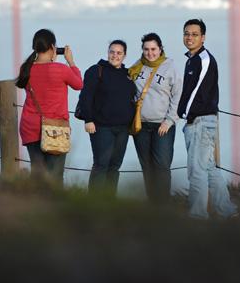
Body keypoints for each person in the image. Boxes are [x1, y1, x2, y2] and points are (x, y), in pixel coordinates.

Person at [177, 18, 238, 220]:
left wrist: (183, 113)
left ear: (203, 37)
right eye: (187, 33)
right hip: (199, 122)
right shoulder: (191, 60)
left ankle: (198, 217)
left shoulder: (204, 60)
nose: (189, 37)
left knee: (197, 172)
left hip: (200, 122)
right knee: (209, 168)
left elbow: (196, 92)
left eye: (195, 34)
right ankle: (228, 211)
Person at [15, 28, 83, 183]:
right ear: (53, 47)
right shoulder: (61, 69)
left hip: (30, 127)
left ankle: (36, 204)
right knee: (55, 176)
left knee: (38, 174)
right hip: (55, 129)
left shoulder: (26, 68)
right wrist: (71, 62)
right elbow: (79, 85)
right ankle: (53, 206)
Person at [77, 40, 136, 197]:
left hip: (123, 128)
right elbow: (85, 96)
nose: (114, 55)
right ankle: (95, 203)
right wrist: (88, 120)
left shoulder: (128, 74)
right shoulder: (96, 70)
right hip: (101, 127)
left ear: (124, 55)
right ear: (108, 52)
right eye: (112, 52)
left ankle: (109, 203)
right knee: (101, 165)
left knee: (114, 167)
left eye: (118, 53)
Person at [128, 32, 182, 204]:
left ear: (160, 49)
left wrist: (169, 121)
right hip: (140, 125)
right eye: (146, 49)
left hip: (162, 125)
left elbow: (178, 97)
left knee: (161, 167)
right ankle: (153, 205)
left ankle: (163, 205)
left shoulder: (170, 68)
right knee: (147, 166)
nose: (150, 53)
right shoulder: (138, 66)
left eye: (153, 49)